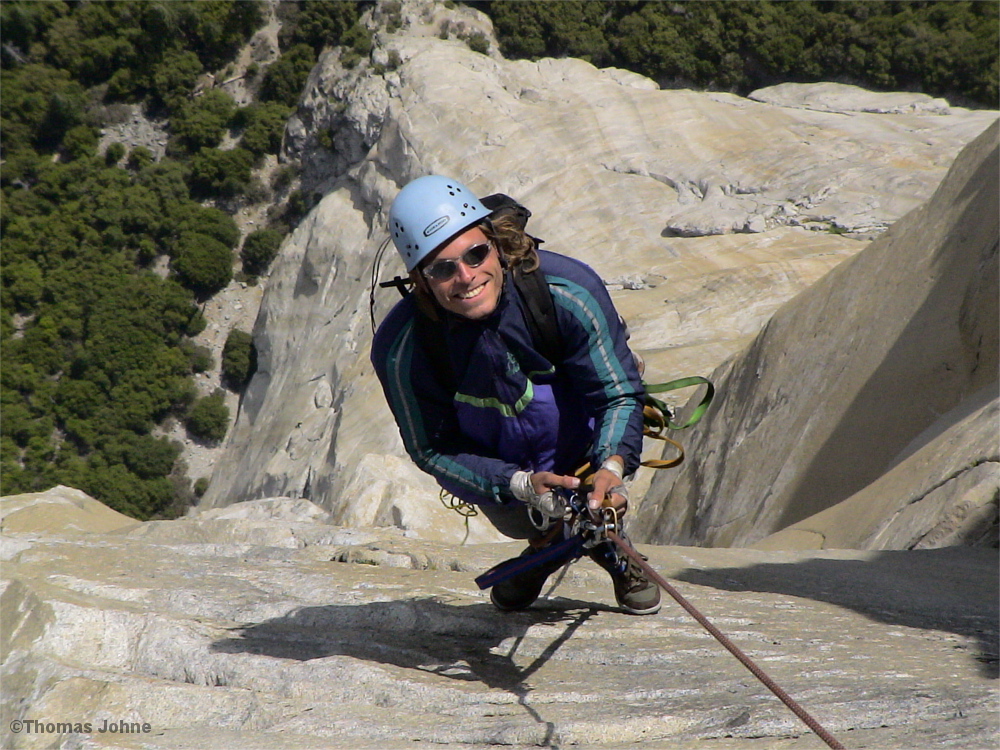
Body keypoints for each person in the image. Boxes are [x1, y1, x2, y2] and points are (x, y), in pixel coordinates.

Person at [371, 175, 660, 615]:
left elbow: (616, 391)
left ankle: (599, 547)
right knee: (539, 525)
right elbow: (430, 447)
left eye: (475, 254)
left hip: (584, 445)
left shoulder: (566, 291)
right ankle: (550, 547)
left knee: (592, 509)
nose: (465, 277)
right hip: (500, 470)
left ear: (494, 242)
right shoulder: (403, 348)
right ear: (420, 280)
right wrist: (517, 484)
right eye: (442, 268)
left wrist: (613, 465)